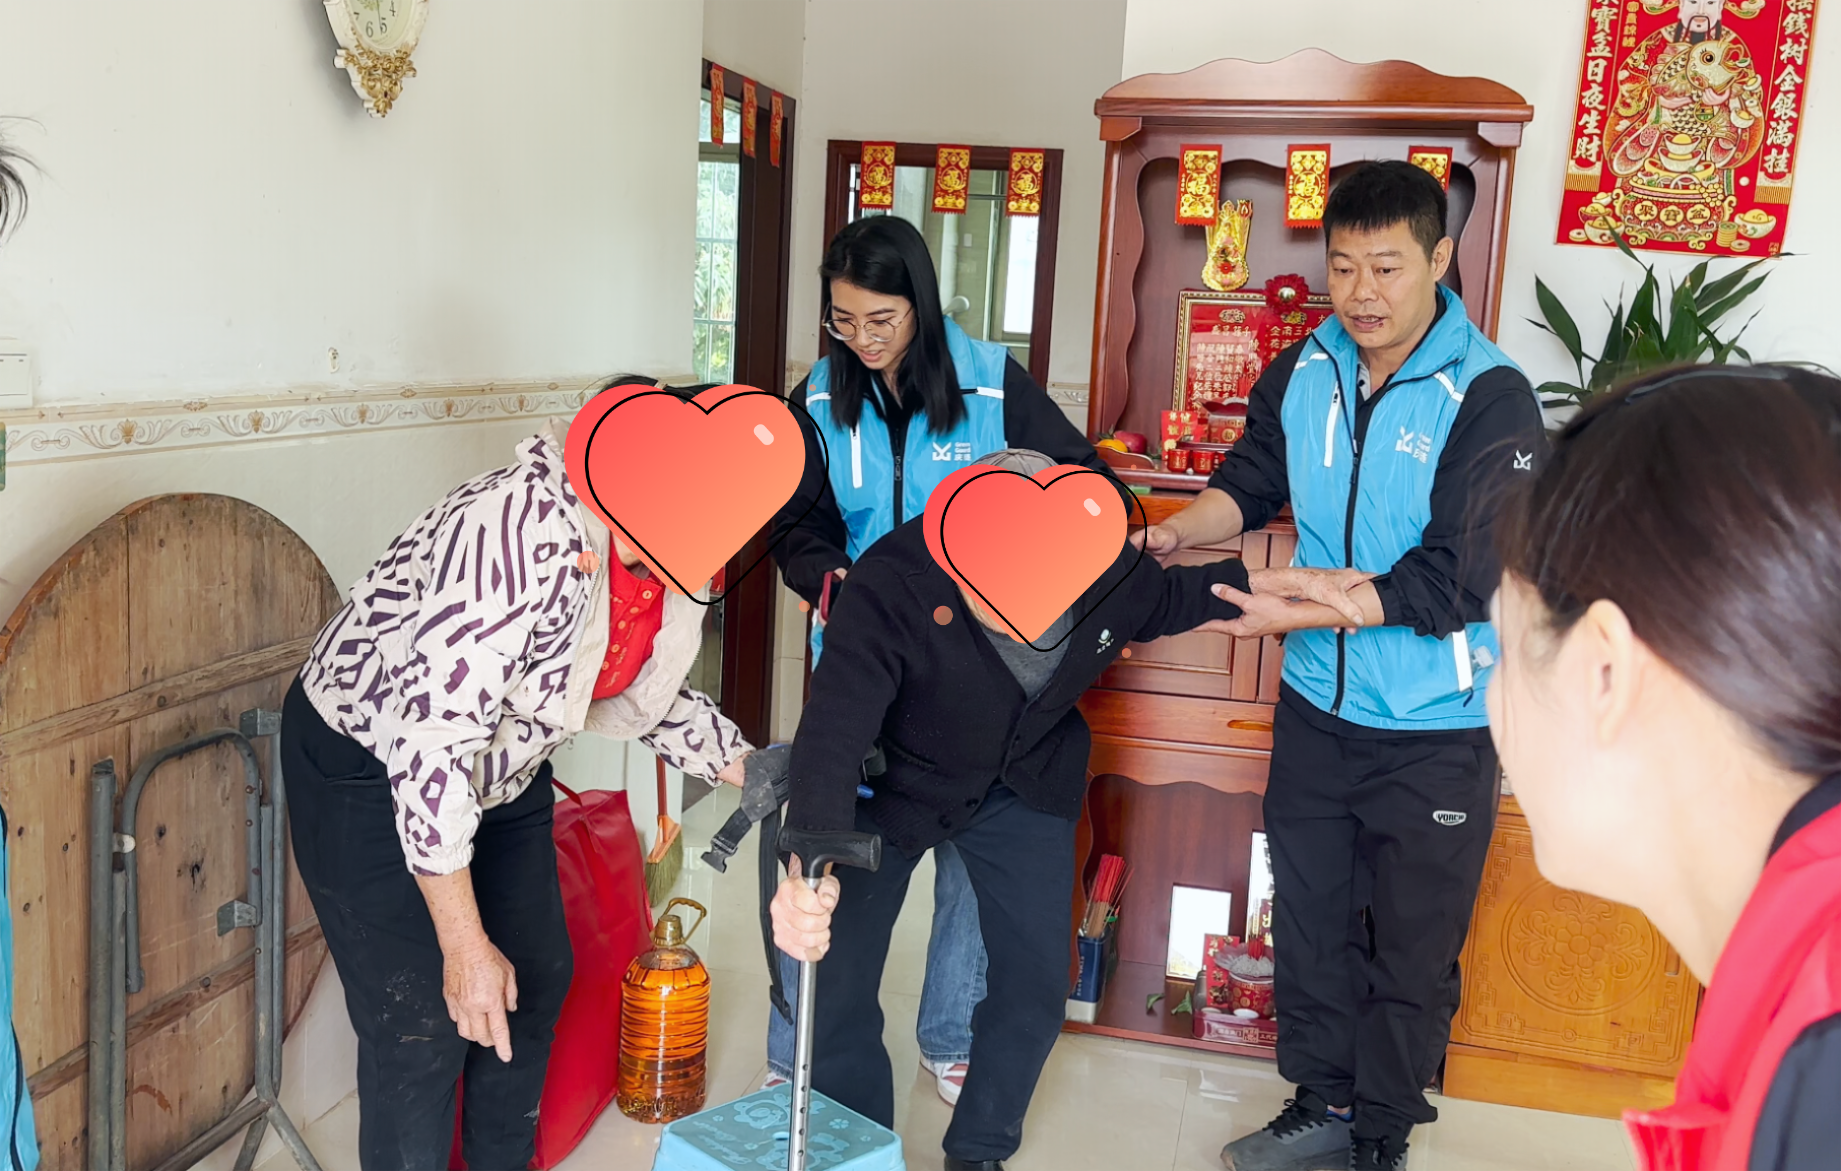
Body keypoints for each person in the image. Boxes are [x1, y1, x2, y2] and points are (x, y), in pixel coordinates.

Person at [770, 448, 1366, 1171]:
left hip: (1023, 781)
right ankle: (856, 1152)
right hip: (895, 783)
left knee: (1035, 981)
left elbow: (1176, 596)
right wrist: (808, 862)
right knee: (833, 975)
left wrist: (1279, 585)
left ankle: (979, 1151)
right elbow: (833, 728)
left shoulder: (1101, 567)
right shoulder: (891, 581)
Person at [1138, 161, 1546, 1171]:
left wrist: (1303, 607)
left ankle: (1379, 1134)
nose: (1361, 293)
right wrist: (1175, 532)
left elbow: (1460, 574)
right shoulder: (1304, 366)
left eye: (1386, 267)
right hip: (1318, 710)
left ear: (1438, 260)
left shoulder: (1488, 394)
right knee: (1311, 923)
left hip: (1435, 725)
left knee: (1409, 943)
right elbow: (1248, 482)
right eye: (1344, 266)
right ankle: (1318, 1102)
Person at [282, 378, 789, 1171]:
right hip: (374, 759)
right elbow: (430, 745)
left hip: (501, 766)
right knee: (421, 1022)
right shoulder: (518, 533)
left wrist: (745, 763)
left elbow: (637, 689)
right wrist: (464, 946)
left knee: (537, 975)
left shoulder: (671, 558)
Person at [765, 214, 1119, 1102]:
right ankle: (798, 1044)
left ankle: (950, 1032)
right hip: (861, 666)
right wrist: (828, 576)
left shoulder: (993, 384)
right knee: (829, 845)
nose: (862, 339)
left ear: (920, 304)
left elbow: (1083, 490)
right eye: (843, 320)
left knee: (970, 852)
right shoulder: (821, 394)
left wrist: (1017, 586)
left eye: (880, 320)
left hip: (980, 673)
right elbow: (794, 519)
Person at [1489, 364, 1841, 1171]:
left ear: (1603, 670)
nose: (1490, 703)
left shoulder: (1823, 1068)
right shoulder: (1794, 1006)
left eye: (1501, 648)